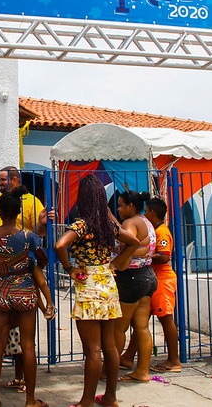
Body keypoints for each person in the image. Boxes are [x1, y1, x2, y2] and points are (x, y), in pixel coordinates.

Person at [55, 174, 143, 407]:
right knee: (110, 346)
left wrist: (69, 268)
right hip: (108, 285)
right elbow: (134, 242)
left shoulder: (82, 224)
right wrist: (116, 263)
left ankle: (86, 401)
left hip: (88, 286)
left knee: (93, 350)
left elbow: (59, 245)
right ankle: (110, 397)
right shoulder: (108, 224)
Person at [0, 186, 49, 407]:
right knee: (28, 344)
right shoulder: (28, 237)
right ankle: (30, 400)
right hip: (25, 291)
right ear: (19, 212)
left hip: (1, 291)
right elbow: (42, 259)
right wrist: (30, 266)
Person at [120, 197, 182, 374]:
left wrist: (144, 255)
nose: (145, 214)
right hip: (152, 279)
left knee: (166, 318)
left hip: (163, 279)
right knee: (141, 322)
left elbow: (164, 256)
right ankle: (128, 356)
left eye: (146, 211)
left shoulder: (162, 232)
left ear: (152, 212)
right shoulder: (153, 230)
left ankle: (174, 359)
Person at [0, 167, 55, 320]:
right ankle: (46, 307)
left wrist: (42, 223)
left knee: (34, 287)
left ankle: (47, 306)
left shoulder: (32, 201)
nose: (0, 183)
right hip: (0, 268)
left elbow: (39, 232)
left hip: (22, 262)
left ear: (14, 179)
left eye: (3, 179)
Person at [113, 190, 158, 383]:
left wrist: (116, 263)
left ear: (131, 206)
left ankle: (109, 371)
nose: (119, 209)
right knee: (142, 327)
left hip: (130, 278)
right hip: (147, 276)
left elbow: (129, 241)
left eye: (121, 205)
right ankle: (142, 371)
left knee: (118, 329)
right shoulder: (145, 221)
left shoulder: (130, 223)